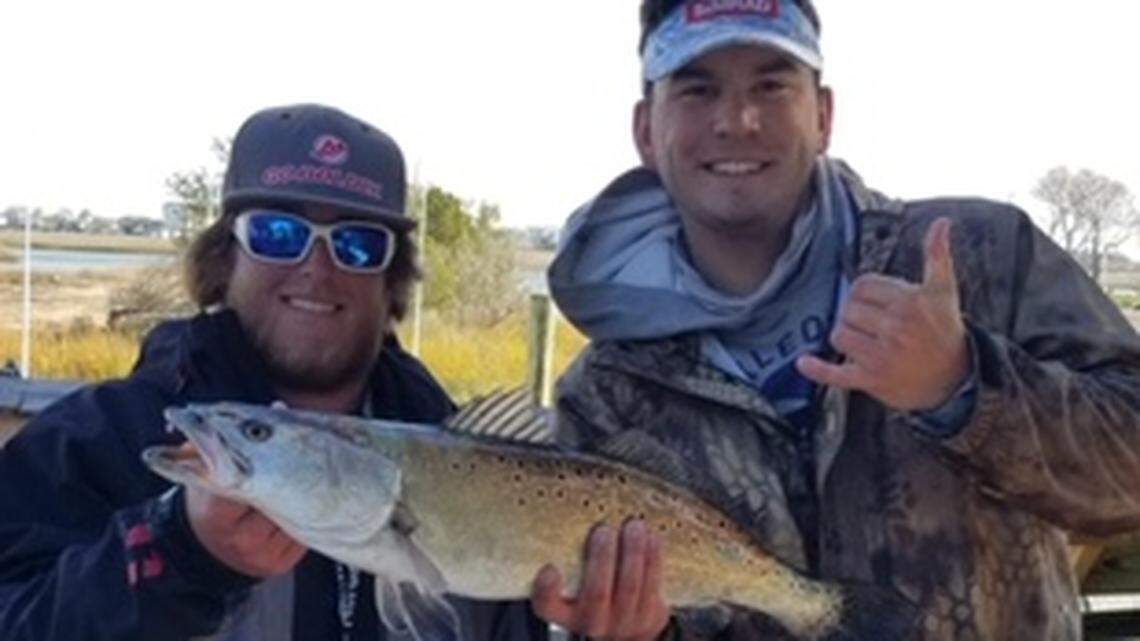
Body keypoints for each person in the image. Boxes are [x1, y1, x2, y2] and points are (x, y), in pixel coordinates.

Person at [538, 1, 1140, 639]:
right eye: (697, 89)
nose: (737, 120)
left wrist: (966, 389)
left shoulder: (977, 259)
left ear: (823, 116)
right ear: (644, 130)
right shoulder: (606, 393)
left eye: (772, 86)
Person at [0, 104, 548, 641]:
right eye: (277, 233)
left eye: (358, 245)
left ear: (393, 282)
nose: (317, 267)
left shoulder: (473, 454)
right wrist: (179, 556)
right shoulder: (90, 444)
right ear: (224, 259)